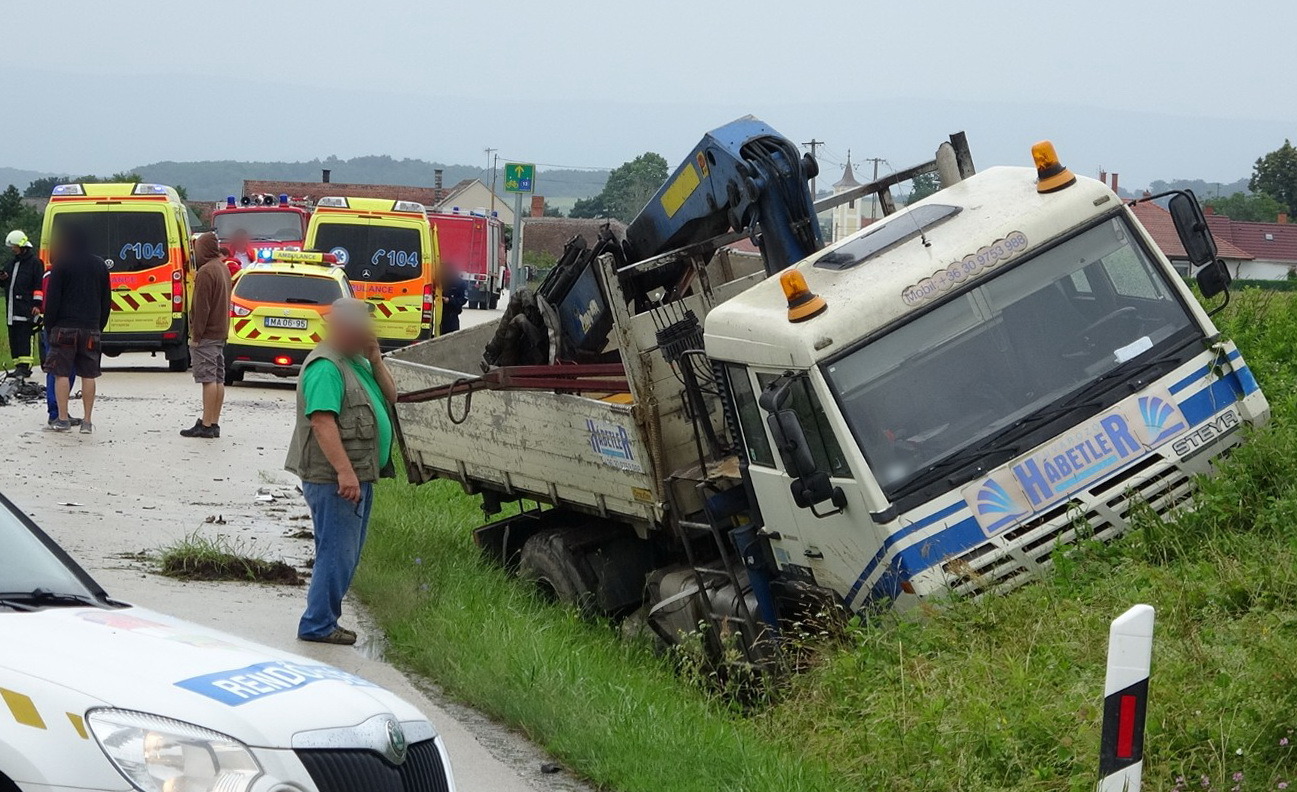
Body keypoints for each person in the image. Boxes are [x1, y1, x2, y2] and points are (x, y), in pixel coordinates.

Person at [285, 298, 396, 645]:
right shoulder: (326, 367)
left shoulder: (356, 361)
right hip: (336, 480)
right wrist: (345, 473)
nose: (368, 333)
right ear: (343, 329)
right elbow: (322, 422)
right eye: (362, 328)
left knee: (344, 554)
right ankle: (317, 624)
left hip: (357, 475)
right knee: (337, 554)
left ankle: (324, 619)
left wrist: (376, 358)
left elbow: (392, 396)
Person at [42, 223, 111, 434]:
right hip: (90, 328)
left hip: (64, 327)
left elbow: (53, 299)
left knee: (61, 373)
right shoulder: (100, 266)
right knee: (88, 375)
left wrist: (50, 326)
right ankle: (87, 422)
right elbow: (106, 300)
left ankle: (62, 419)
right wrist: (98, 325)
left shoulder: (61, 264)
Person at [181, 232, 231, 439]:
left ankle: (206, 424)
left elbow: (201, 308)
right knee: (218, 378)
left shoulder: (206, 272)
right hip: (220, 332)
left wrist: (196, 335)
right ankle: (214, 421)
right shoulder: (223, 268)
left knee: (208, 378)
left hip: (207, 334)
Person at [40, 265, 78, 429]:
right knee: (57, 372)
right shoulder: (52, 272)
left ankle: (62, 411)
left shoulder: (70, 270)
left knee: (69, 371)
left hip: (71, 327)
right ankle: (55, 413)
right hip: (56, 327)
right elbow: (48, 302)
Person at [4, 230, 42, 379]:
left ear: (21, 246)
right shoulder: (12, 263)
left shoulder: (34, 263)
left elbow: (38, 286)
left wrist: (37, 305)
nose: (12, 249)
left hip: (26, 309)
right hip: (12, 309)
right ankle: (18, 366)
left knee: (24, 337)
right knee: (14, 337)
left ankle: (25, 367)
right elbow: (7, 283)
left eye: (14, 246)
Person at [439, 266, 468, 335]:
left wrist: (449, 300)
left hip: (452, 315)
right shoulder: (439, 281)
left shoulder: (460, 283)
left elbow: (463, 299)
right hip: (439, 315)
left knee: (452, 336)